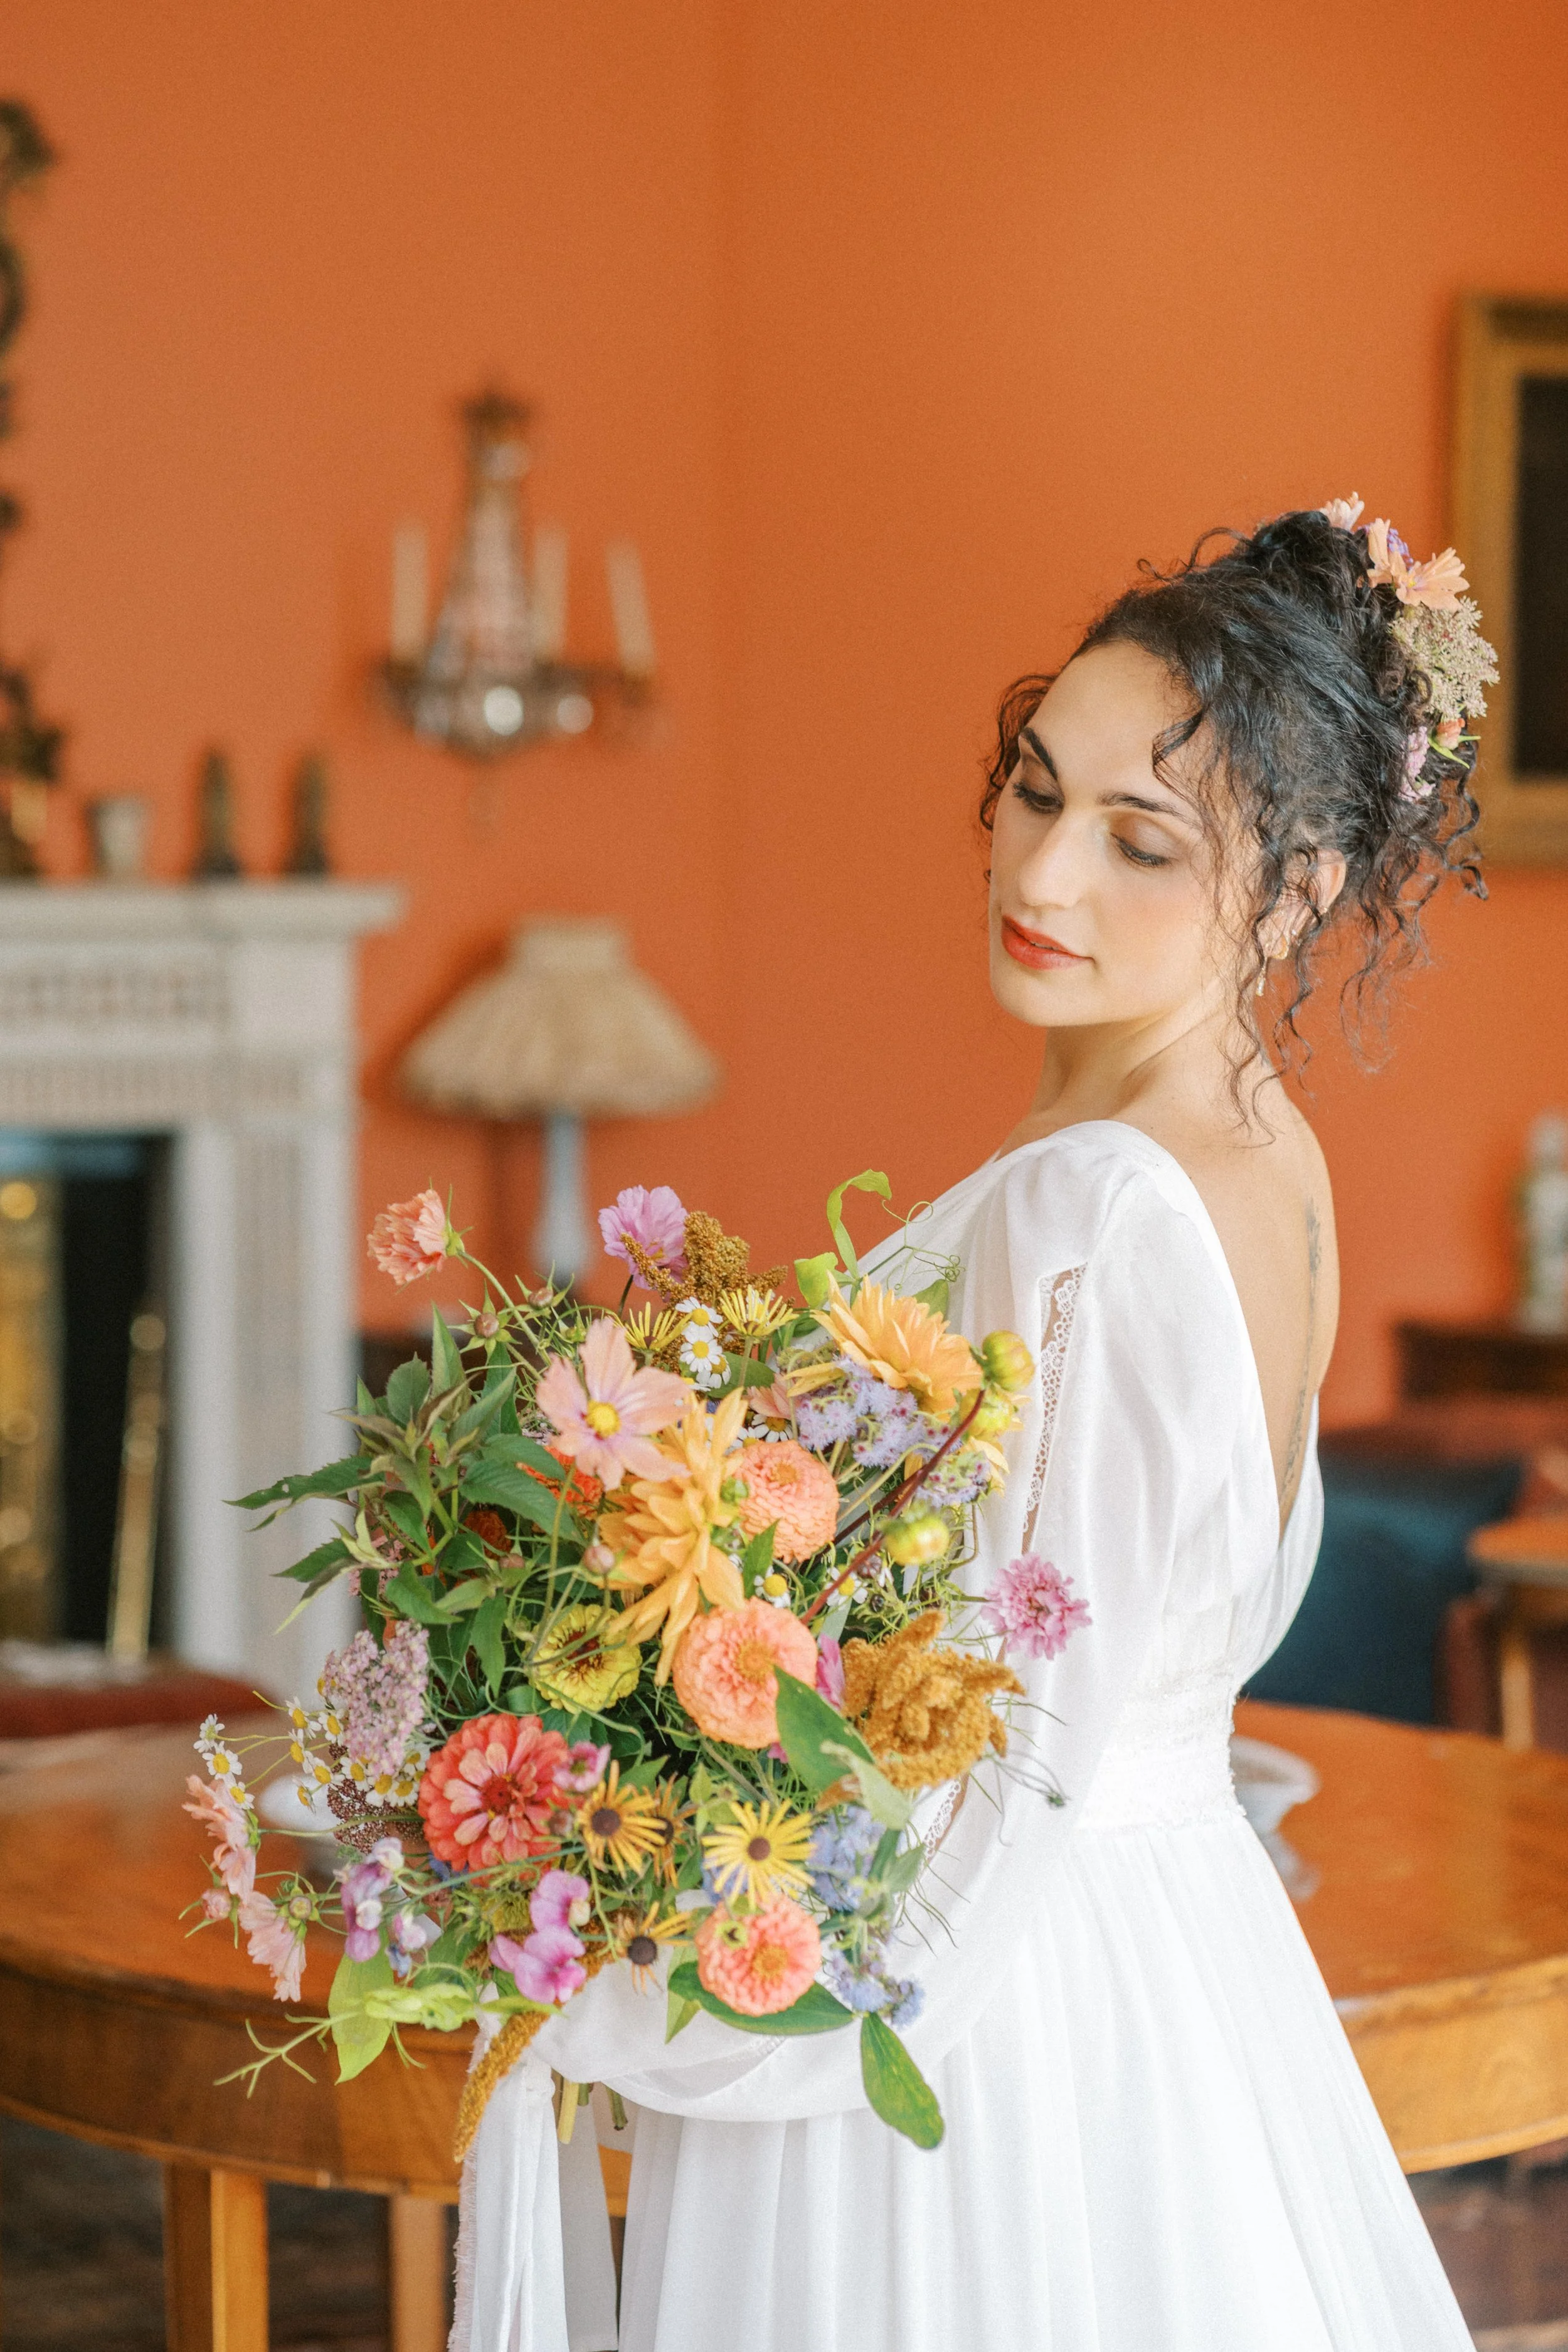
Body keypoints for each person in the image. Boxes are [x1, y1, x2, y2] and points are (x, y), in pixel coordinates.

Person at [457, 503, 1488, 2350]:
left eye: (1140, 839)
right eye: (1033, 787)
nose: (1045, 869)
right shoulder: (1268, 1161)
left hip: (981, 2049)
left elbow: (1021, 1763)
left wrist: (697, 2021)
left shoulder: (1089, 1201)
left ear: (1297, 890)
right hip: (1168, 1979)